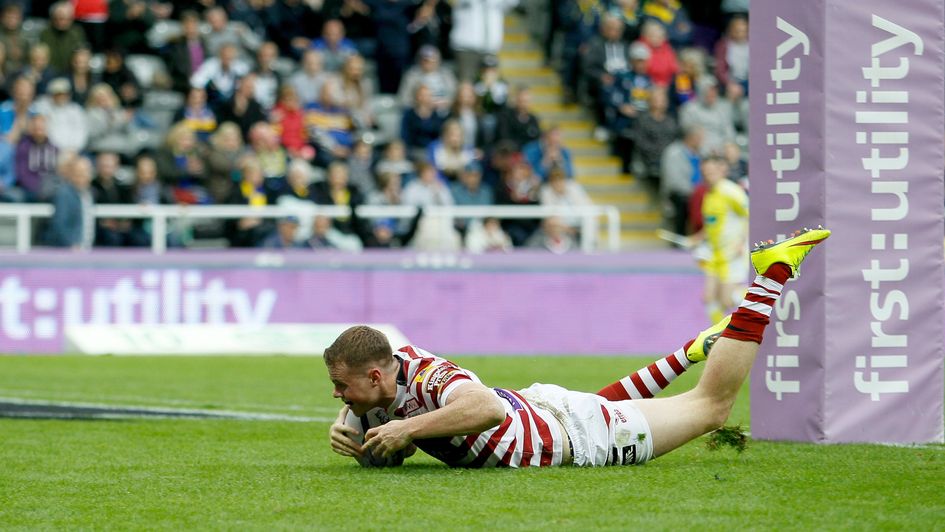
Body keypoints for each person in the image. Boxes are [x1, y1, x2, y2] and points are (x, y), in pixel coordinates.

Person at [326, 227, 831, 467]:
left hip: (578, 436)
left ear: (374, 375)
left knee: (710, 409)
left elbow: (485, 408)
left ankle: (773, 274)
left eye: (340, 387)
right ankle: (692, 350)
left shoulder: (425, 373)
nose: (337, 396)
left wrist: (406, 429)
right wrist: (359, 437)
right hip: (547, 410)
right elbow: (387, 458)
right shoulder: (382, 391)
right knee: (606, 402)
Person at [692, 155, 749, 324]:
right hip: (715, 254)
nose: (707, 175)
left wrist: (742, 242)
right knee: (708, 297)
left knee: (727, 300)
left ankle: (759, 294)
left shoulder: (731, 191)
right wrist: (697, 238)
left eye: (711, 171)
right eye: (704, 172)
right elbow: (711, 224)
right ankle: (715, 338)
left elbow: (750, 216)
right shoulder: (708, 195)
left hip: (732, 253)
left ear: (721, 170)